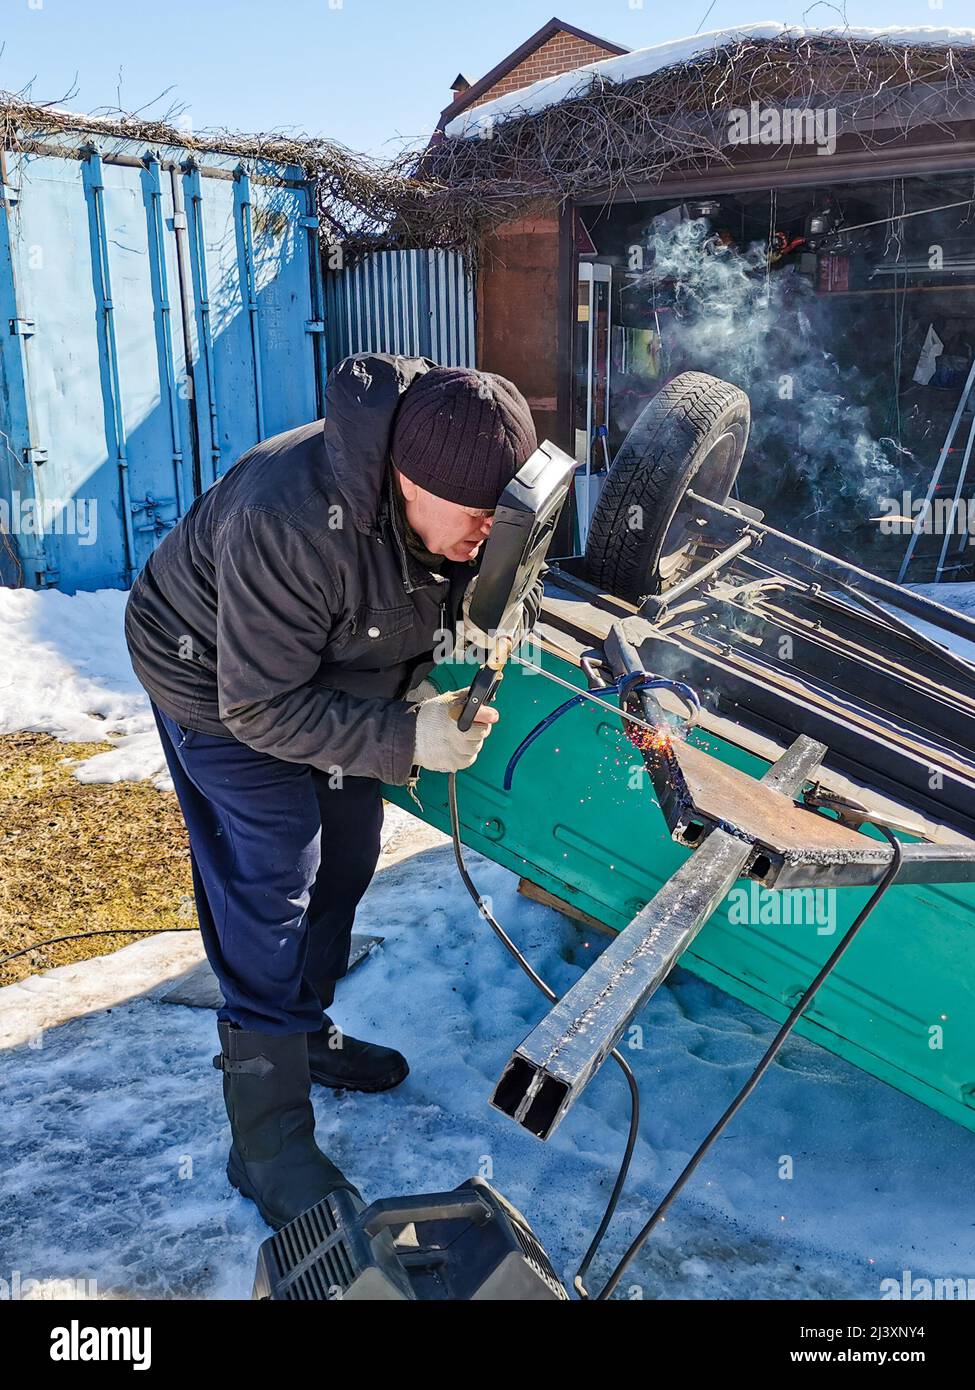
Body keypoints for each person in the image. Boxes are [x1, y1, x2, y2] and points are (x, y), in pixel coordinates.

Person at [124, 353, 539, 1229]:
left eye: (495, 524)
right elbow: (261, 704)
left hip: (332, 664)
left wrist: (452, 653)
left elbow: (461, 578)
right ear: (405, 480)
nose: (480, 538)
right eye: (472, 521)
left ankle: (302, 1033)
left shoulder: (452, 505)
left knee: (348, 850)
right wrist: (404, 735)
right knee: (275, 873)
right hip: (217, 680)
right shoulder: (289, 519)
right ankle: (265, 1140)